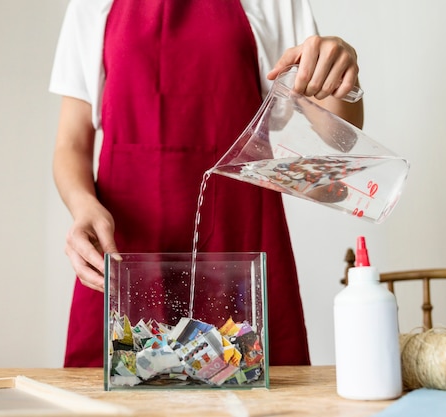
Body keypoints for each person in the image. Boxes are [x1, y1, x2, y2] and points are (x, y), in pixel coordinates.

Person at [49, 0, 364, 367]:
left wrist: (343, 78)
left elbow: (338, 141)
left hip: (241, 245)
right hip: (125, 252)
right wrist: (83, 206)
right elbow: (70, 143)